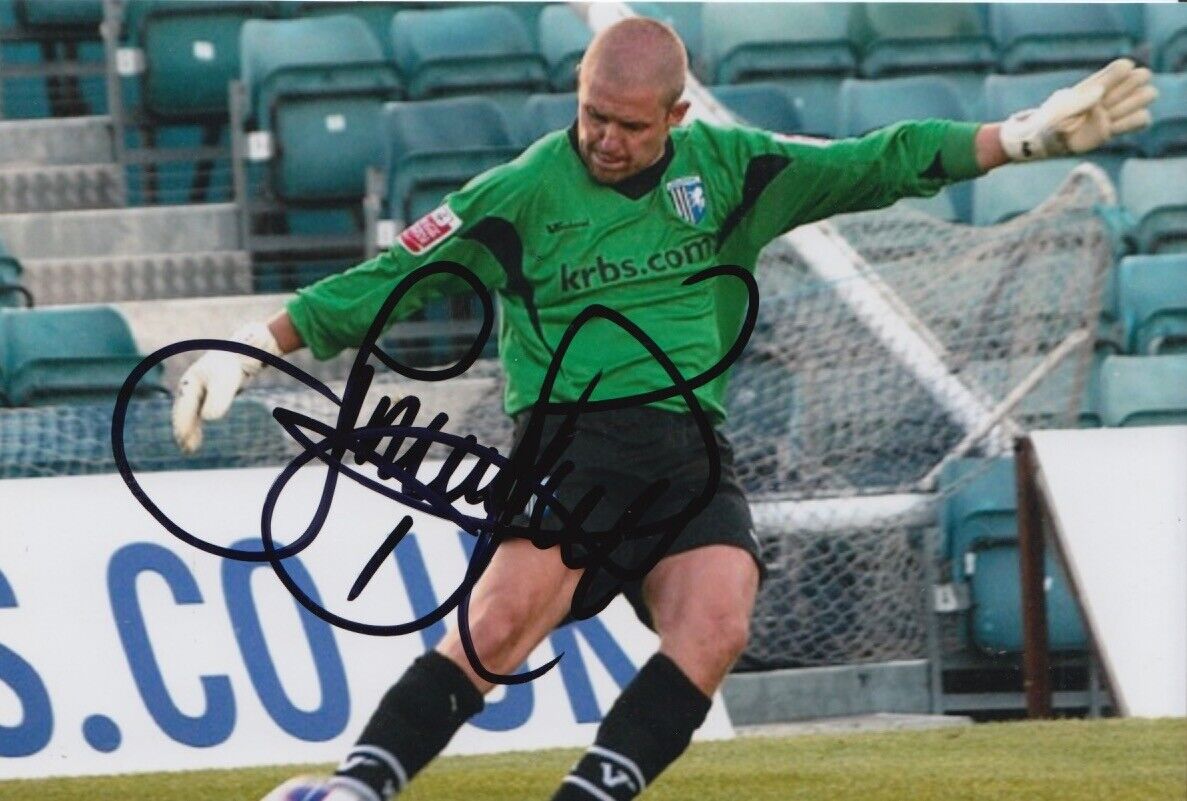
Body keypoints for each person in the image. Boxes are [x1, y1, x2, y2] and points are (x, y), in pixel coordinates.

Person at [171, 18, 1155, 801]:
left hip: (689, 448)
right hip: (570, 447)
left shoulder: (730, 171)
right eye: (592, 114)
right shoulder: (517, 193)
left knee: (715, 625)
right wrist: (257, 349)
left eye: (628, 124)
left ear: (676, 115)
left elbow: (880, 158)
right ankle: (355, 786)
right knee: (498, 628)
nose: (603, 136)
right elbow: (390, 280)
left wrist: (1021, 136)